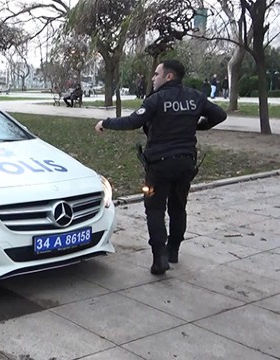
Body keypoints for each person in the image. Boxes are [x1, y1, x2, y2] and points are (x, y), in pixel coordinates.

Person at [94, 60, 227, 275]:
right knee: (178, 207)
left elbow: (133, 122)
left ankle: (160, 258)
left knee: (155, 209)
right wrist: (199, 125)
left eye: (156, 74)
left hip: (159, 166)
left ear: (169, 77)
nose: (153, 78)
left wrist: (105, 123)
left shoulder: (156, 100)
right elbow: (220, 115)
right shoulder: (195, 97)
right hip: (185, 163)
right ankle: (173, 250)